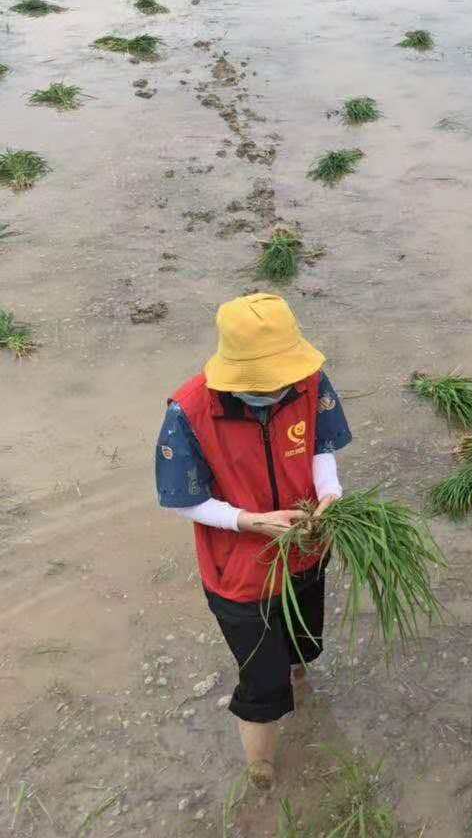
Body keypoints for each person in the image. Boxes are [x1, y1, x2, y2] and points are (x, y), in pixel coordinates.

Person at [153, 293, 352, 789]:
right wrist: (250, 522)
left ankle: (302, 689)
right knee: (263, 683)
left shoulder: (308, 380)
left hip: (305, 547)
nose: (280, 389)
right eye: (265, 384)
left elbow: (321, 444)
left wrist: (329, 494)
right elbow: (181, 499)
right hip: (239, 572)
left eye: (285, 379)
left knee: (304, 648)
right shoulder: (190, 412)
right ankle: (261, 773)